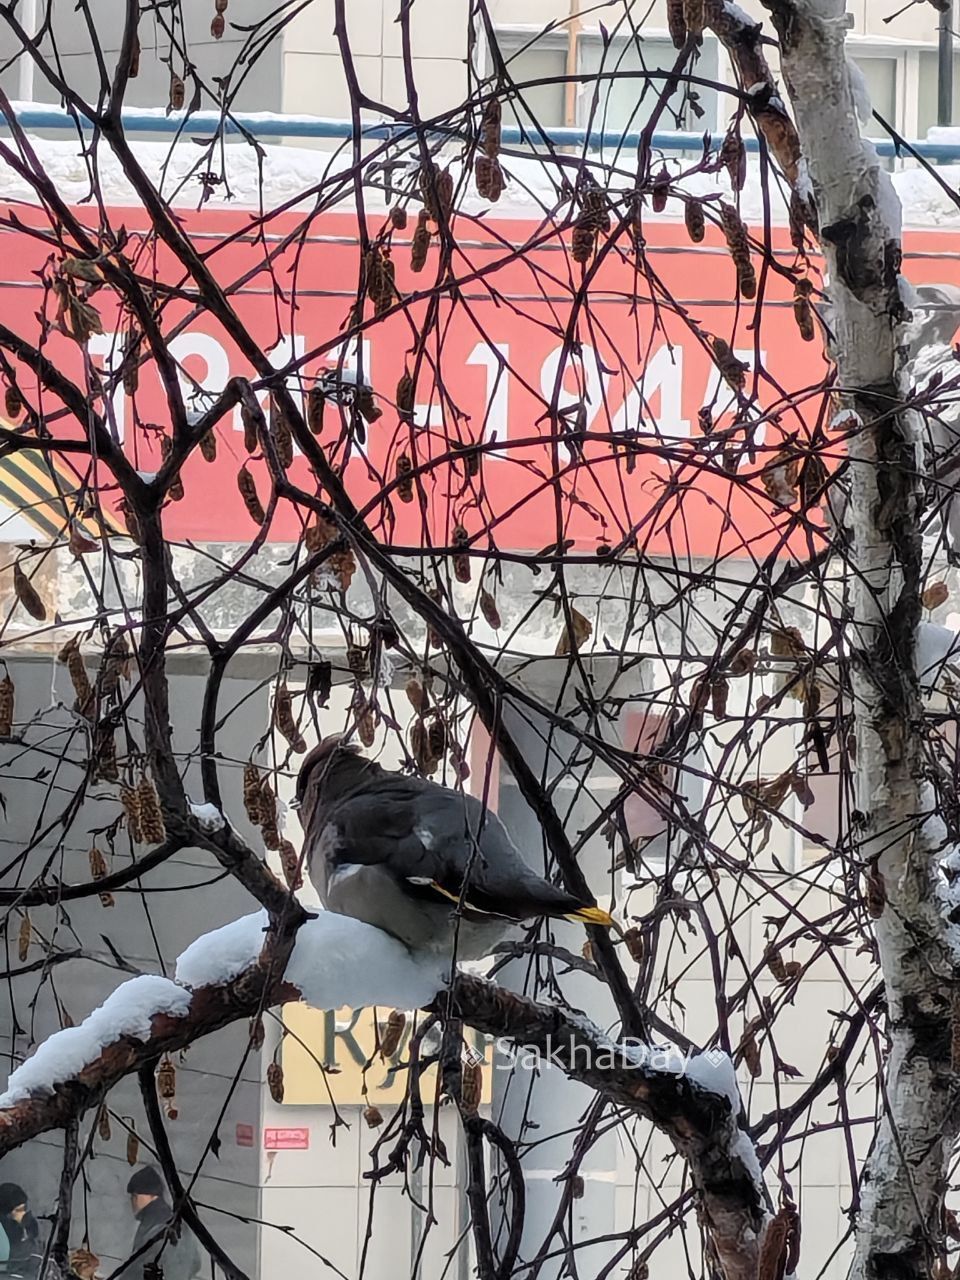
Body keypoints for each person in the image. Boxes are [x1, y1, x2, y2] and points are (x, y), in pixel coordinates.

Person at [122, 1167, 200, 1280]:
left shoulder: (155, 1225)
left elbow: (136, 1267)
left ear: (153, 1195)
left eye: (135, 1196)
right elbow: (196, 1263)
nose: (132, 1201)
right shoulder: (171, 1220)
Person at [0, 1183, 41, 1278]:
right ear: (6, 1214)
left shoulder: (28, 1229)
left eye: (24, 1209)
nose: (23, 1213)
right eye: (18, 1210)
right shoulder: (5, 1236)